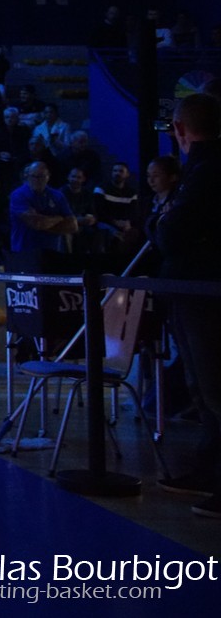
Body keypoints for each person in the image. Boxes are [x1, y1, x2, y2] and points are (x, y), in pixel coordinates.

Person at [153, 93, 221, 517]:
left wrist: (161, 221)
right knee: (202, 389)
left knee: (214, 387)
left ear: (179, 129)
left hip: (203, 294)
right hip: (193, 292)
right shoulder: (201, 169)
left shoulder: (205, 170)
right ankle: (209, 470)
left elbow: (169, 232)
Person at [6, 160, 77, 273]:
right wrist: (58, 218)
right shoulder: (19, 195)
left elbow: (73, 226)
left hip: (53, 254)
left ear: (48, 177)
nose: (37, 180)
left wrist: (43, 222)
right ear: (27, 176)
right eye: (34, 176)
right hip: (25, 253)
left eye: (41, 177)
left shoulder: (57, 196)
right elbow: (36, 223)